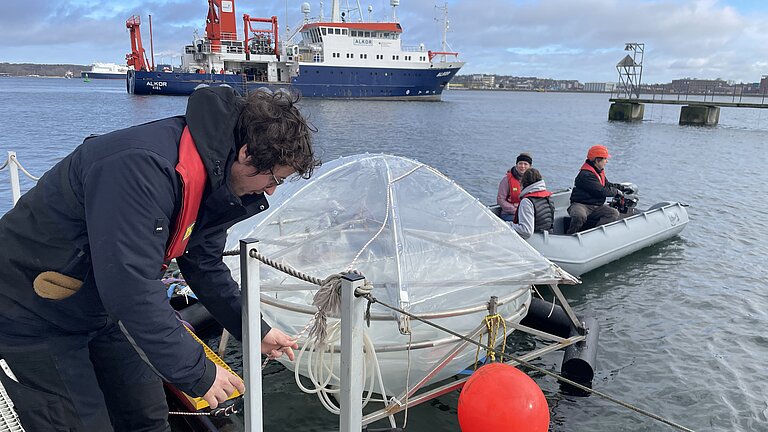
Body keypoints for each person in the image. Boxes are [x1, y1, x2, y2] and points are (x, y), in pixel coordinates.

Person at [0, 86, 321, 431]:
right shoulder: (140, 168)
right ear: (246, 154)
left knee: (147, 417)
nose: (272, 190)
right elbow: (130, 286)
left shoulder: (216, 178)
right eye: (274, 178)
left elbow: (205, 264)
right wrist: (197, 371)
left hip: (103, 307)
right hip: (33, 309)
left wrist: (253, 329)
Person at [566, 144, 630, 234]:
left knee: (613, 213)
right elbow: (601, 191)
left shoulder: (598, 171)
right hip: (580, 205)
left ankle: (595, 234)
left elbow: (607, 185)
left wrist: (622, 188)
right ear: (597, 160)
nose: (607, 161)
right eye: (605, 159)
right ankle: (571, 234)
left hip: (596, 206)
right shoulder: (586, 175)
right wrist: (616, 192)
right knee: (580, 216)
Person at [507, 168, 554, 239]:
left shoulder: (527, 202)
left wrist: (507, 224)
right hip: (546, 236)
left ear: (523, 182)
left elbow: (526, 231)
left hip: (534, 239)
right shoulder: (548, 197)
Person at [497, 152, 533, 221]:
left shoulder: (532, 180)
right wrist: (516, 211)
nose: (522, 166)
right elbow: (500, 199)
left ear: (530, 166)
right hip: (509, 214)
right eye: (520, 163)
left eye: (525, 164)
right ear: (516, 165)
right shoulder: (506, 180)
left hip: (527, 213)